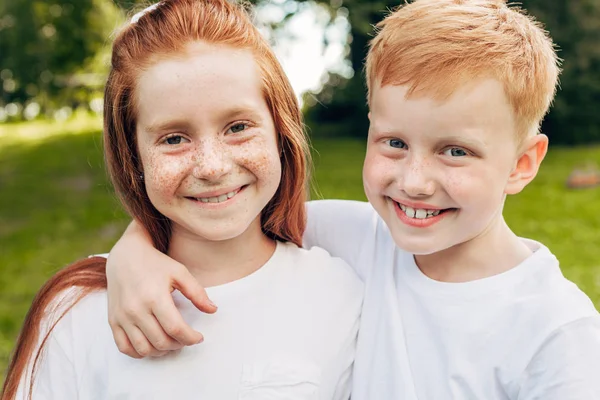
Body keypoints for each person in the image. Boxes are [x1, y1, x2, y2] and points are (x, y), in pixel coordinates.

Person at [104, 0, 600, 399]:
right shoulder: (359, 236)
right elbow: (230, 218)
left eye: (455, 151)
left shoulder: (559, 332)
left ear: (522, 164)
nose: (415, 181)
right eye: (395, 143)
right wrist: (135, 252)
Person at [0, 1, 363, 399]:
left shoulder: (341, 294)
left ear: (281, 132)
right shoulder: (76, 312)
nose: (211, 166)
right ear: (132, 154)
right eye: (174, 138)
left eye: (238, 127)